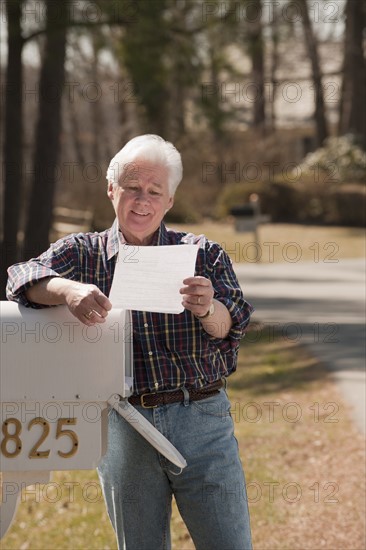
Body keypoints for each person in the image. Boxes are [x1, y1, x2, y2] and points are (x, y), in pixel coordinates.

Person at [7, 134, 253, 550]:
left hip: (202, 418)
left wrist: (208, 308)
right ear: (111, 190)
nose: (143, 201)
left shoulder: (201, 253)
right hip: (123, 423)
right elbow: (21, 276)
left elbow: (233, 324)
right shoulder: (82, 253)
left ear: (170, 201)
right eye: (132, 188)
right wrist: (67, 290)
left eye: (155, 192)